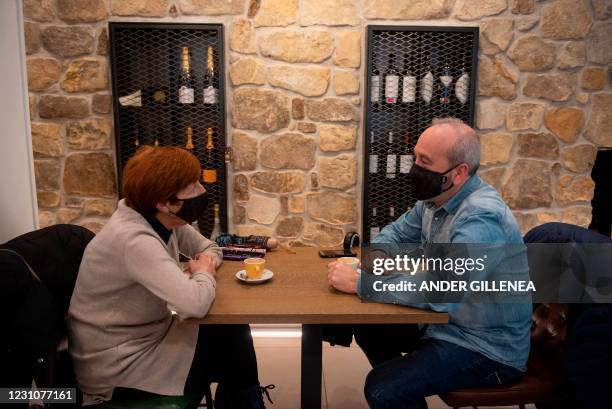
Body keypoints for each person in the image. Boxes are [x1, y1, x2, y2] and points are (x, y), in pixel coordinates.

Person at [327, 118, 532, 408]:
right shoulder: (435, 199)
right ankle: (410, 385)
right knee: (369, 326)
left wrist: (365, 284)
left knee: (382, 388)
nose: (414, 168)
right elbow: (396, 233)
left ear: (458, 173)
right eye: (415, 157)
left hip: (487, 348)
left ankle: (402, 387)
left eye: (424, 160)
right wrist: (377, 259)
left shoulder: (481, 217)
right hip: (445, 324)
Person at [68, 146, 269, 408]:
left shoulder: (162, 220)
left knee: (232, 334)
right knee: (233, 348)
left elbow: (211, 249)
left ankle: (245, 400)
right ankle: (246, 401)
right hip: (119, 365)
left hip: (150, 338)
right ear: (164, 202)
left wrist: (199, 270)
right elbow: (194, 304)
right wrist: (203, 274)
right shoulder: (134, 239)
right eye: (192, 185)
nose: (202, 190)